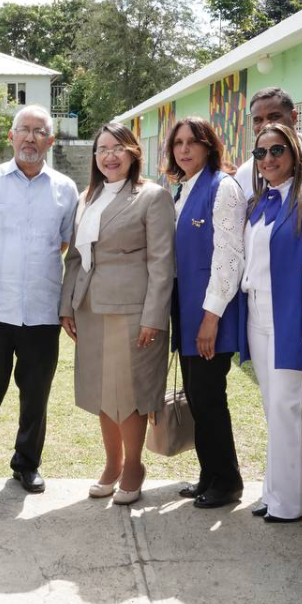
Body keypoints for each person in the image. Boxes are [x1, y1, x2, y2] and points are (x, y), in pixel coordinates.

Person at [0, 105, 79, 493]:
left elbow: (63, 241)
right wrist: (3, 267)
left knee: (36, 394)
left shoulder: (65, 189)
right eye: (23, 130)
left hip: (42, 310)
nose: (30, 138)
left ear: (50, 140)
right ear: (11, 137)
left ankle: (27, 463)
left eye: (39, 131)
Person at [60, 122, 174, 506]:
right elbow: (75, 258)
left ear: (133, 153)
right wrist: (67, 306)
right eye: (102, 149)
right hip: (90, 307)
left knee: (128, 391)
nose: (109, 155)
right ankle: (111, 463)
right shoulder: (86, 196)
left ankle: (134, 466)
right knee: (100, 390)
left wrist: (153, 316)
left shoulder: (152, 196)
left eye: (118, 148)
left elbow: (162, 262)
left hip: (132, 310)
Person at [239, 123, 302, 522]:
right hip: (258, 312)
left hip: (291, 314)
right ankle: (273, 491)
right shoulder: (258, 201)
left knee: (288, 406)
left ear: (293, 154)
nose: (269, 159)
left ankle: (291, 502)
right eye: (261, 153)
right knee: (271, 406)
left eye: (277, 151)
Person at [166, 117, 246, 509]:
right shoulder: (181, 189)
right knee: (198, 396)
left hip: (211, 312)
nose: (184, 149)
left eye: (192, 142)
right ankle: (208, 473)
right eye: (178, 143)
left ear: (209, 146)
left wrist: (211, 318)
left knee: (210, 396)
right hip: (187, 310)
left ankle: (227, 480)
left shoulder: (223, 187)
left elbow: (230, 256)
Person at [231, 86, 302, 196]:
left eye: (274, 116)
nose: (266, 125)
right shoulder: (244, 174)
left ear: (294, 117)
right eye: (258, 120)